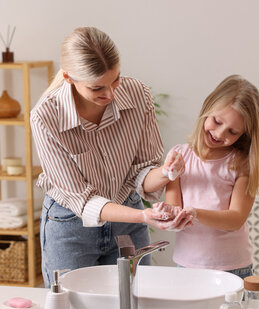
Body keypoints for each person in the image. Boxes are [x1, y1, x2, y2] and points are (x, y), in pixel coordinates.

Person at [31, 27, 188, 287]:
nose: (111, 94)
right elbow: (82, 199)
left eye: (115, 80)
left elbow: (141, 173)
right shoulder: (46, 117)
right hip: (71, 224)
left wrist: (166, 172)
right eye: (97, 88)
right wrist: (142, 216)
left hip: (127, 223)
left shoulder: (137, 95)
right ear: (69, 78)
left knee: (135, 306)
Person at [155, 75, 259, 279]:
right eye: (217, 121)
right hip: (187, 265)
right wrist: (166, 213)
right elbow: (174, 209)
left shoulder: (243, 164)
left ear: (243, 135)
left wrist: (195, 213)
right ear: (207, 109)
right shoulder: (180, 156)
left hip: (232, 268)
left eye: (232, 132)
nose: (219, 133)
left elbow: (235, 219)